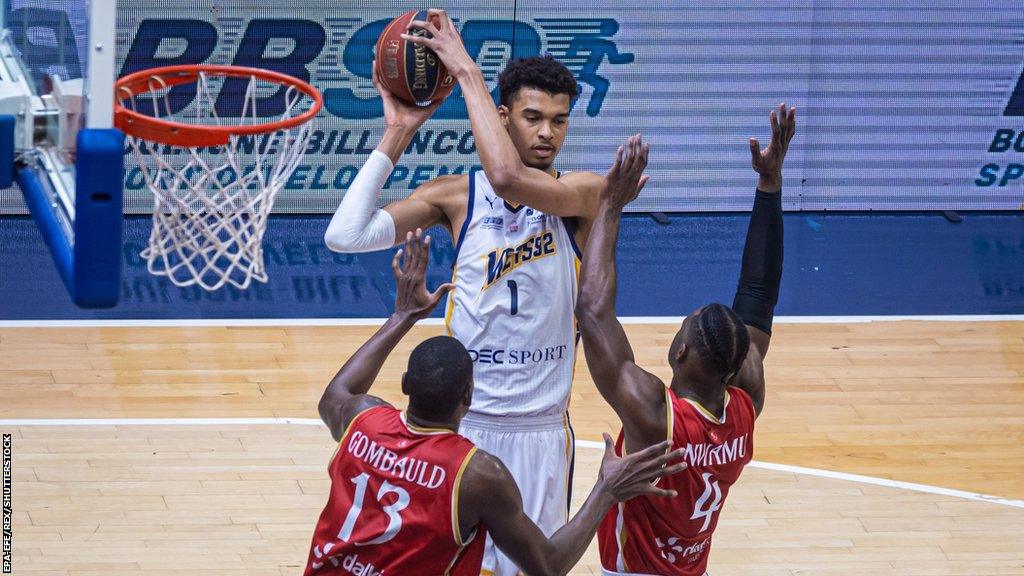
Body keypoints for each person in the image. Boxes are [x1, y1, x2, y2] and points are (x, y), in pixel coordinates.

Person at [325, 10, 609, 574]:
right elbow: (345, 235)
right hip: (465, 427)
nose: (547, 132)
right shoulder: (457, 198)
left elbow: (509, 178)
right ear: (501, 117)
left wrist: (467, 71)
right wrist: (398, 131)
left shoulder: (584, 194)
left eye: (559, 120)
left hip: (541, 429)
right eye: (532, 118)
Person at [306, 229, 686, 576]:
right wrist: (606, 489)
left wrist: (401, 316)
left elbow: (336, 394)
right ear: (468, 397)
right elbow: (548, 566)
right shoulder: (475, 474)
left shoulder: (364, 420)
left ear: (405, 385)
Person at [574, 105, 795, 575]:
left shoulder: (656, 417)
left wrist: (609, 207)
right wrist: (769, 186)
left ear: (680, 352)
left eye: (685, 324)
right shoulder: (744, 406)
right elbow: (760, 290)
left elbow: (592, 311)